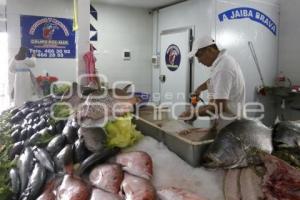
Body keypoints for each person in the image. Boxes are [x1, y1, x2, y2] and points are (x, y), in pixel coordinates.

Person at [179, 36, 246, 130]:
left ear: (210, 50)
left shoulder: (223, 68)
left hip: (229, 127)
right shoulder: (222, 63)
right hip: (224, 123)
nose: (198, 61)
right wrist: (199, 89)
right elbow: (213, 80)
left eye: (199, 55)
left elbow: (219, 107)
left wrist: (194, 114)